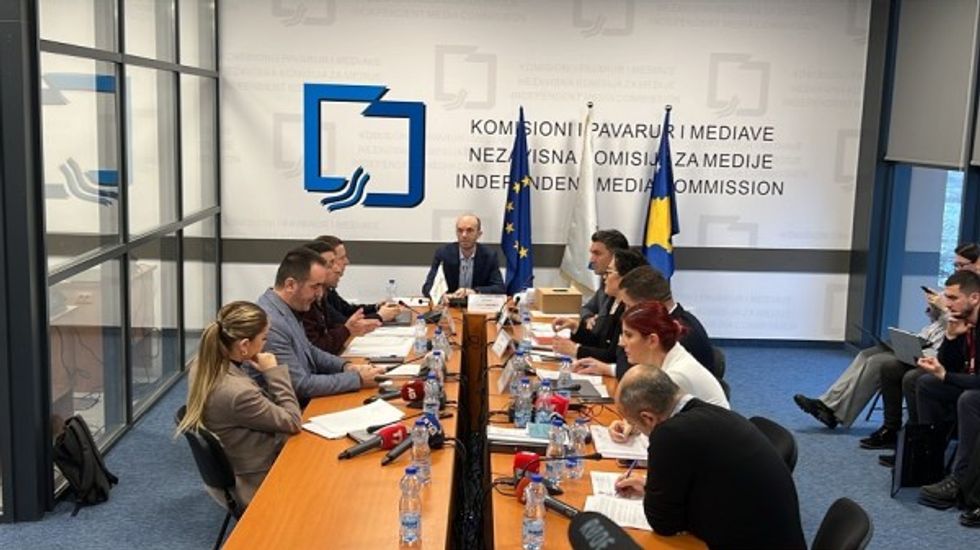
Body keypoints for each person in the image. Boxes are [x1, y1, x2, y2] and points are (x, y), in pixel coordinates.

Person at [793, 244, 979, 440]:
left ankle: (844, 414)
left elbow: (962, 327)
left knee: (881, 362)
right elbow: (939, 322)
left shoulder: (971, 294)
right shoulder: (956, 287)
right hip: (930, 339)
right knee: (867, 354)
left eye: (961, 265)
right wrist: (935, 307)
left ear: (977, 263)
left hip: (938, 349)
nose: (957, 269)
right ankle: (829, 405)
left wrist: (945, 308)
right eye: (955, 265)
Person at [612, 368, 806, 549]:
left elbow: (664, 523)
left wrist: (656, 494)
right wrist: (651, 489)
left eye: (634, 423)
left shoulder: (670, 434)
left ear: (648, 418)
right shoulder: (710, 412)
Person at [177, 301, 302, 506]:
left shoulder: (204, 364)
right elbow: (293, 421)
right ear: (244, 345)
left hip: (238, 464)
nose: (265, 345)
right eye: (263, 338)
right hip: (256, 480)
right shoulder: (238, 393)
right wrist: (273, 372)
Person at [257, 246, 384, 405]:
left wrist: (347, 367)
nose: (319, 293)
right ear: (290, 285)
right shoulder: (271, 324)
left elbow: (309, 350)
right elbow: (300, 385)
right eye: (314, 286)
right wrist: (357, 379)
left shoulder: (287, 307)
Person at [572, 265, 717, 379]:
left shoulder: (677, 332)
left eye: (629, 306)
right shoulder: (670, 320)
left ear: (649, 305)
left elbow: (640, 375)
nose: (625, 312)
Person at [914, 270, 980, 508]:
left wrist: (945, 375)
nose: (946, 303)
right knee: (926, 383)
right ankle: (929, 461)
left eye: (953, 298)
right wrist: (951, 338)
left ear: (974, 298)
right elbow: (947, 365)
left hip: (975, 391)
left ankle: (959, 479)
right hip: (971, 384)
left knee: (969, 399)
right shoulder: (963, 321)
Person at [552, 249, 648, 363]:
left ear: (625, 277)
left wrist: (576, 351)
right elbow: (600, 342)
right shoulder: (612, 300)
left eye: (609, 272)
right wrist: (575, 327)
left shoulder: (629, 309)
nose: (604, 277)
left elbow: (613, 355)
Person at [301, 240, 381, 355]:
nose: (338, 269)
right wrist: (347, 329)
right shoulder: (305, 302)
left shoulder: (323, 295)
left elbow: (337, 323)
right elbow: (317, 349)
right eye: (330, 264)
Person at [315, 235, 402, 323]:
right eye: (341, 258)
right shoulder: (314, 297)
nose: (347, 262)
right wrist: (380, 316)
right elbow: (344, 324)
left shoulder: (328, 290)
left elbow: (347, 310)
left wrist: (376, 307)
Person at [421, 214, 505, 298]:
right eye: (460, 230)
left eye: (469, 230)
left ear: (479, 234)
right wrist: (442, 296)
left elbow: (499, 288)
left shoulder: (489, 255)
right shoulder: (443, 254)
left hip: (476, 305)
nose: (464, 235)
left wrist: (474, 292)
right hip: (450, 304)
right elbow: (427, 287)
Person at [578, 229, 629, 325]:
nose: (591, 260)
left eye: (597, 254)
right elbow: (587, 308)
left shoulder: (632, 290)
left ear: (616, 256)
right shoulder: (606, 281)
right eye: (592, 254)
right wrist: (589, 319)